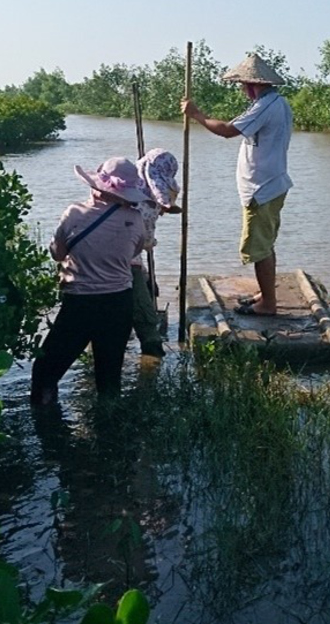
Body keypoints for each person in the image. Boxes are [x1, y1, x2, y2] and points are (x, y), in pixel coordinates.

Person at [181, 53, 293, 317]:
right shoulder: (273, 103)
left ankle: (268, 305)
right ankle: (265, 295)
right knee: (265, 244)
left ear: (255, 84)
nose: (243, 90)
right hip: (269, 184)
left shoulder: (266, 105)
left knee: (258, 248)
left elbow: (227, 130)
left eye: (244, 85)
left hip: (263, 187)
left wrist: (197, 114)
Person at [31, 157, 149, 407]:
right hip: (119, 304)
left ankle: (47, 430)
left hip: (80, 304)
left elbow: (57, 254)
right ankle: (110, 433)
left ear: (97, 186)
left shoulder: (74, 213)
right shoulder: (136, 220)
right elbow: (134, 252)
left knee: (45, 371)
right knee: (109, 380)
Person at [130, 148, 180, 358]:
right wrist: (152, 242)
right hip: (123, 263)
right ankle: (151, 365)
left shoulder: (127, 186)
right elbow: (143, 243)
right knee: (147, 322)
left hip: (91, 265)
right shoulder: (147, 207)